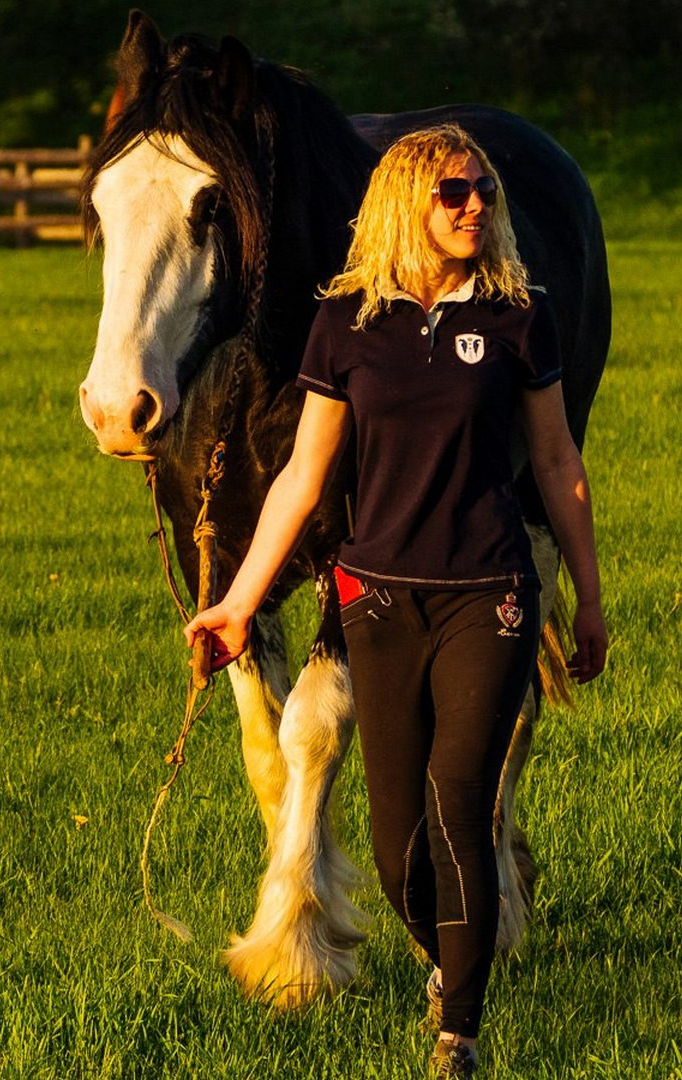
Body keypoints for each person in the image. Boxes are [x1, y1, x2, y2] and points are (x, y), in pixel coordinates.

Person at [185, 123, 607, 1078]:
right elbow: (301, 477)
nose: (475, 208)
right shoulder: (346, 322)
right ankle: (443, 955)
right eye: (455, 192)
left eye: (486, 193)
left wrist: (584, 598)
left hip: (487, 597)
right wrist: (241, 603)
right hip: (378, 601)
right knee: (394, 849)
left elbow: (556, 463)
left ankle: (458, 1029)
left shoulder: (517, 314)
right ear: (406, 201)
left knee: (460, 806)